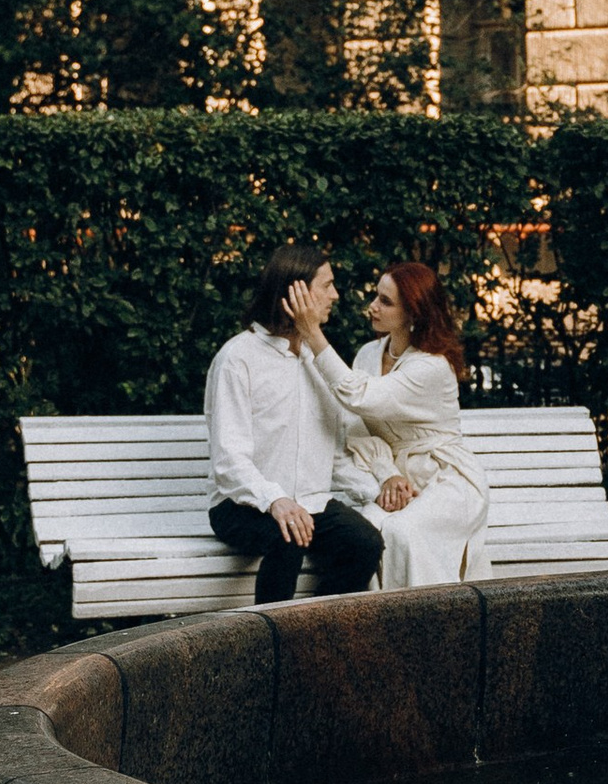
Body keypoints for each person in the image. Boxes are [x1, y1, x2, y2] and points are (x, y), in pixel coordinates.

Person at [202, 243, 387, 608]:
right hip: (242, 505)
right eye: (327, 285)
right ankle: (269, 651)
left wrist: (375, 490)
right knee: (288, 537)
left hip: (311, 504)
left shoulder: (318, 361)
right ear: (297, 291)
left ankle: (314, 632)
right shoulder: (238, 358)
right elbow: (229, 460)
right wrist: (276, 500)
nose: (335, 294)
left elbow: (333, 454)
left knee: (365, 543)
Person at [289, 260, 491, 588]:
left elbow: (359, 396)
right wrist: (388, 474)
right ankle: (375, 630)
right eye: (375, 296)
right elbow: (356, 427)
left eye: (386, 301)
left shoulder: (432, 367)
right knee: (365, 534)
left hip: (448, 481)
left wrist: (312, 333)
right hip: (399, 482)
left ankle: (428, 626)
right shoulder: (369, 354)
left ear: (413, 313)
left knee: (402, 531)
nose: (372, 307)